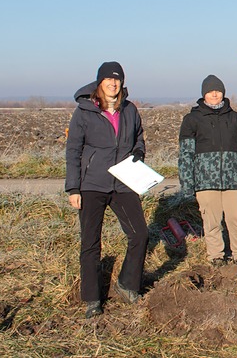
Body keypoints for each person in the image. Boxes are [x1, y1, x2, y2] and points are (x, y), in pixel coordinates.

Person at [65, 62, 149, 318]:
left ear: (122, 83)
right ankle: (92, 299)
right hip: (91, 185)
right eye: (108, 80)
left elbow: (139, 139)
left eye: (117, 80)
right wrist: (73, 188)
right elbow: (73, 151)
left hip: (123, 183)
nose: (113, 84)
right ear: (99, 83)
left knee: (140, 234)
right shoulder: (84, 111)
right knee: (91, 242)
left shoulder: (130, 110)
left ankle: (127, 285)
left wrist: (138, 153)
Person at [178, 75, 237, 266]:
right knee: (212, 222)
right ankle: (216, 256)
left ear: (223, 93)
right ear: (204, 95)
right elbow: (185, 154)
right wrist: (187, 184)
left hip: (233, 180)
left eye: (217, 90)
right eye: (210, 91)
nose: (214, 94)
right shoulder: (192, 120)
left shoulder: (236, 119)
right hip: (205, 182)